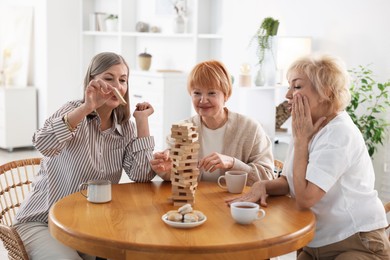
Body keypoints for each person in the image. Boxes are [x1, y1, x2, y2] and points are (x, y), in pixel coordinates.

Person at [226, 54, 390, 259]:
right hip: (317, 241)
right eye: (289, 86)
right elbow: (289, 181)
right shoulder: (306, 125)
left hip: (355, 241)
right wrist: (263, 185)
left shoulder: (339, 133)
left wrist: (302, 141)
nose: (287, 94)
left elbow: (305, 199)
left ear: (325, 92)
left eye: (297, 87)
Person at [14, 52, 156, 260]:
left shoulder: (125, 127)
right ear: (92, 81)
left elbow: (142, 174)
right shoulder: (73, 111)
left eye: (123, 80)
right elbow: (43, 144)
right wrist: (88, 107)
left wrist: (142, 121)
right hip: (41, 221)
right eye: (109, 78)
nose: (117, 86)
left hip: (86, 224)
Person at [151, 60, 275, 186]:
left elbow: (267, 177)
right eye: (197, 93)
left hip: (236, 202)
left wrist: (232, 163)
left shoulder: (250, 129)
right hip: (197, 202)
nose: (203, 100)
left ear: (226, 95)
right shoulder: (182, 129)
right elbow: (173, 177)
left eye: (211, 93)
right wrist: (165, 168)